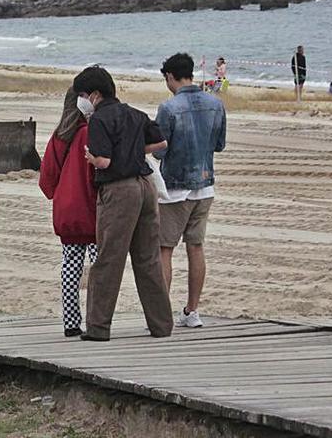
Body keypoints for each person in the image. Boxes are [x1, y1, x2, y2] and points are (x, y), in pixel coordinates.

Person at [77, 66, 173, 342]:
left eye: (83, 95)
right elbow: (160, 142)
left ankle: (98, 327)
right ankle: (161, 324)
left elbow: (104, 161)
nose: (82, 101)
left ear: (94, 95)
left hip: (118, 189)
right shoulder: (135, 113)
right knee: (148, 258)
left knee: (109, 258)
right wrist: (132, 151)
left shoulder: (99, 120)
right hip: (145, 187)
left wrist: (93, 160)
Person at [155, 53, 227, 329]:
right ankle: (192, 310)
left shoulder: (169, 107)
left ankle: (162, 313)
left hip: (175, 187)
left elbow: (161, 151)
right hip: (205, 185)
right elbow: (220, 144)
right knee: (196, 247)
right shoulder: (215, 104)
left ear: (170, 77)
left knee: (165, 249)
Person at [38, 87, 98, 338]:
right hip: (93, 209)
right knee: (98, 266)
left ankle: (71, 321)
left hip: (67, 210)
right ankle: (97, 318)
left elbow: (46, 180)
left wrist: (61, 193)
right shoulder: (93, 134)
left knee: (71, 265)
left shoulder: (59, 136)